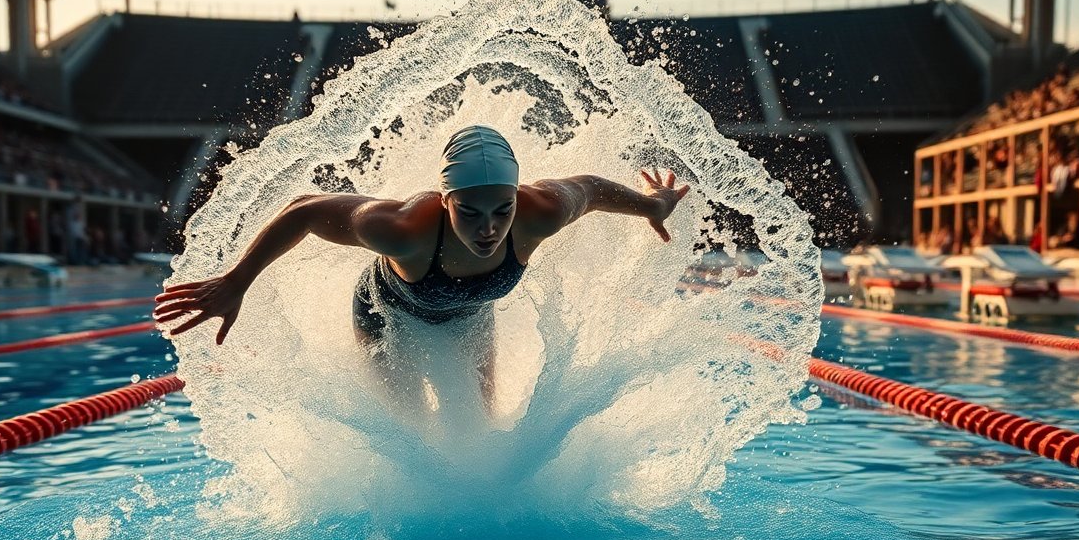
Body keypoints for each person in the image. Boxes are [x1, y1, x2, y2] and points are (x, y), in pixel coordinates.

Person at [153, 125, 691, 412]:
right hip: (387, 317)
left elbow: (591, 189)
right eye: (469, 212)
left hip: (472, 313)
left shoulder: (539, 213)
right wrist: (236, 281)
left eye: (502, 210)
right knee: (410, 423)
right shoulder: (405, 228)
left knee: (483, 420)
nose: (489, 229)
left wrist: (652, 206)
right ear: (445, 199)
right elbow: (306, 210)